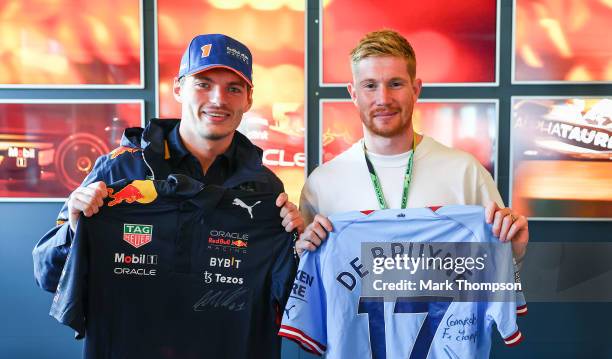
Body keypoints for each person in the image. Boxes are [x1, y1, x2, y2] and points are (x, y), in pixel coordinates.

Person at [33, 33, 304, 292]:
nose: (219, 99)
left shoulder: (266, 189)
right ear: (178, 88)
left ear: (249, 99)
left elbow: (285, 294)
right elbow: (47, 276)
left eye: (233, 88)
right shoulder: (118, 169)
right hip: (128, 340)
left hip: (228, 341)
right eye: (203, 84)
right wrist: (73, 231)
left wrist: (298, 249)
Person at [296, 29, 529, 260]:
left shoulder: (465, 172)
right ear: (353, 93)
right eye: (370, 86)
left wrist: (514, 251)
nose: (383, 99)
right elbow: (308, 281)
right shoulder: (321, 184)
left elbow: (495, 271)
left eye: (395, 84)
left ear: (415, 89)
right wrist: (299, 254)